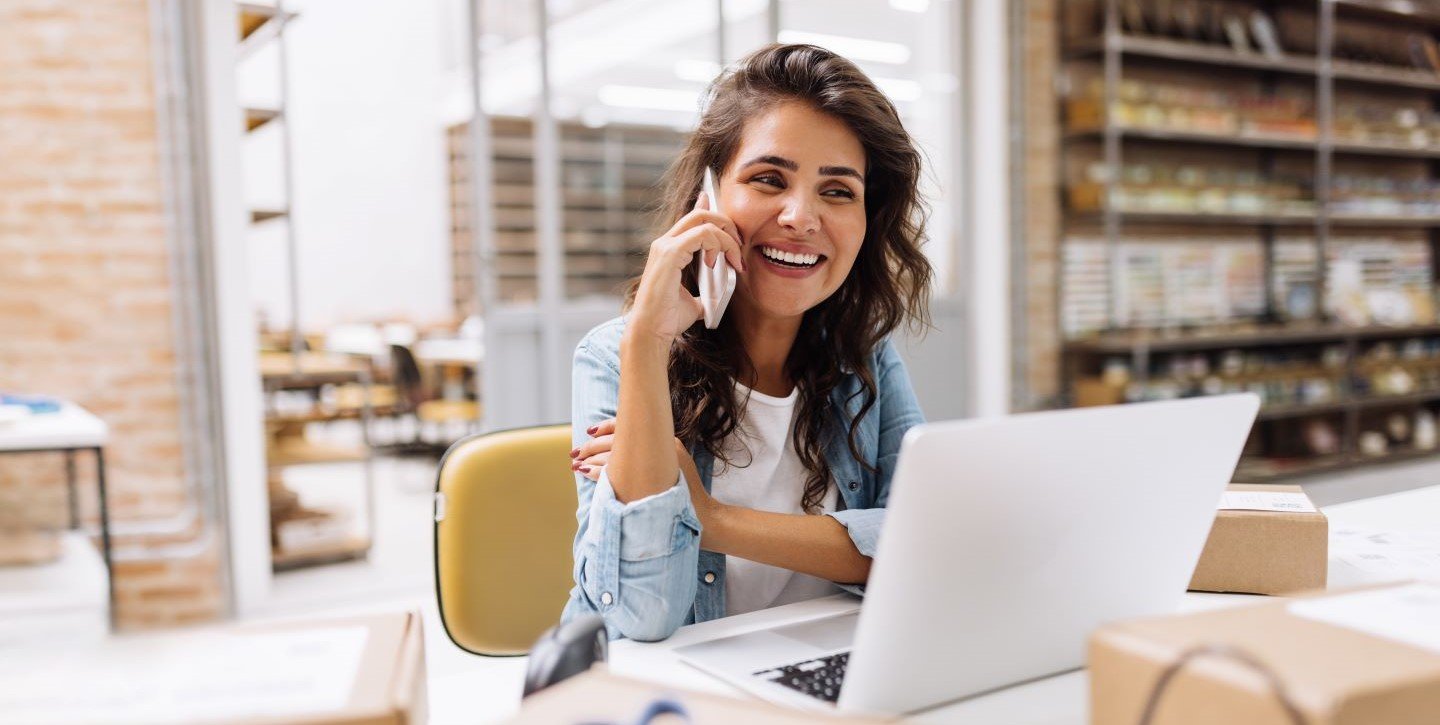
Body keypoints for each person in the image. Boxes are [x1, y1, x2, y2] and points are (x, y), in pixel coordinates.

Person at [562, 43, 934, 642]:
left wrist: (709, 517)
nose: (800, 217)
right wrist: (647, 340)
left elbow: (919, 549)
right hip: (673, 681)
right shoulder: (615, 355)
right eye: (768, 179)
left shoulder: (863, 357)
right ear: (707, 200)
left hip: (817, 666)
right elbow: (639, 615)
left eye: (838, 191)